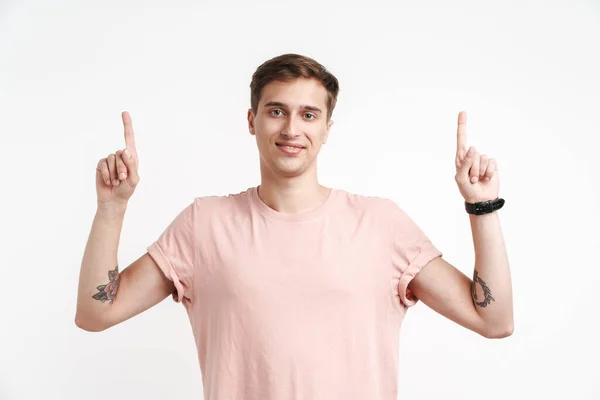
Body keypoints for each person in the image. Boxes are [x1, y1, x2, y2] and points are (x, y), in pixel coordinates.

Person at [75, 53, 513, 399]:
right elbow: (97, 313)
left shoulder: (381, 225)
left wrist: (483, 207)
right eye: (276, 111)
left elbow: (493, 321)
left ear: (326, 128)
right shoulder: (203, 225)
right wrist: (111, 208)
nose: (291, 128)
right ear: (252, 121)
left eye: (308, 115)